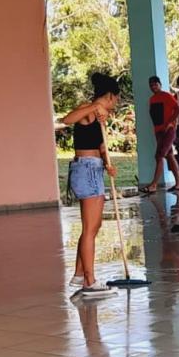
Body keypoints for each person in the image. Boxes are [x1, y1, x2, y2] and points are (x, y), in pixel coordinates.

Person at [61, 72, 120, 297]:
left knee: (93, 228)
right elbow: (68, 119)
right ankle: (90, 280)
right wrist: (94, 107)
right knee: (89, 229)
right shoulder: (88, 109)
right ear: (109, 96)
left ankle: (79, 274)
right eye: (116, 99)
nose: (116, 103)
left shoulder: (100, 117)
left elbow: (100, 146)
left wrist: (108, 164)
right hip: (86, 170)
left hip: (94, 168)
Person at [142, 76, 179, 193]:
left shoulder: (167, 96)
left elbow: (178, 109)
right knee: (169, 155)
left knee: (159, 156)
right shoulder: (152, 99)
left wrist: (170, 123)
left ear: (160, 84)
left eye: (155, 84)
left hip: (168, 131)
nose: (153, 87)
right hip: (158, 132)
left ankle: (153, 185)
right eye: (151, 85)